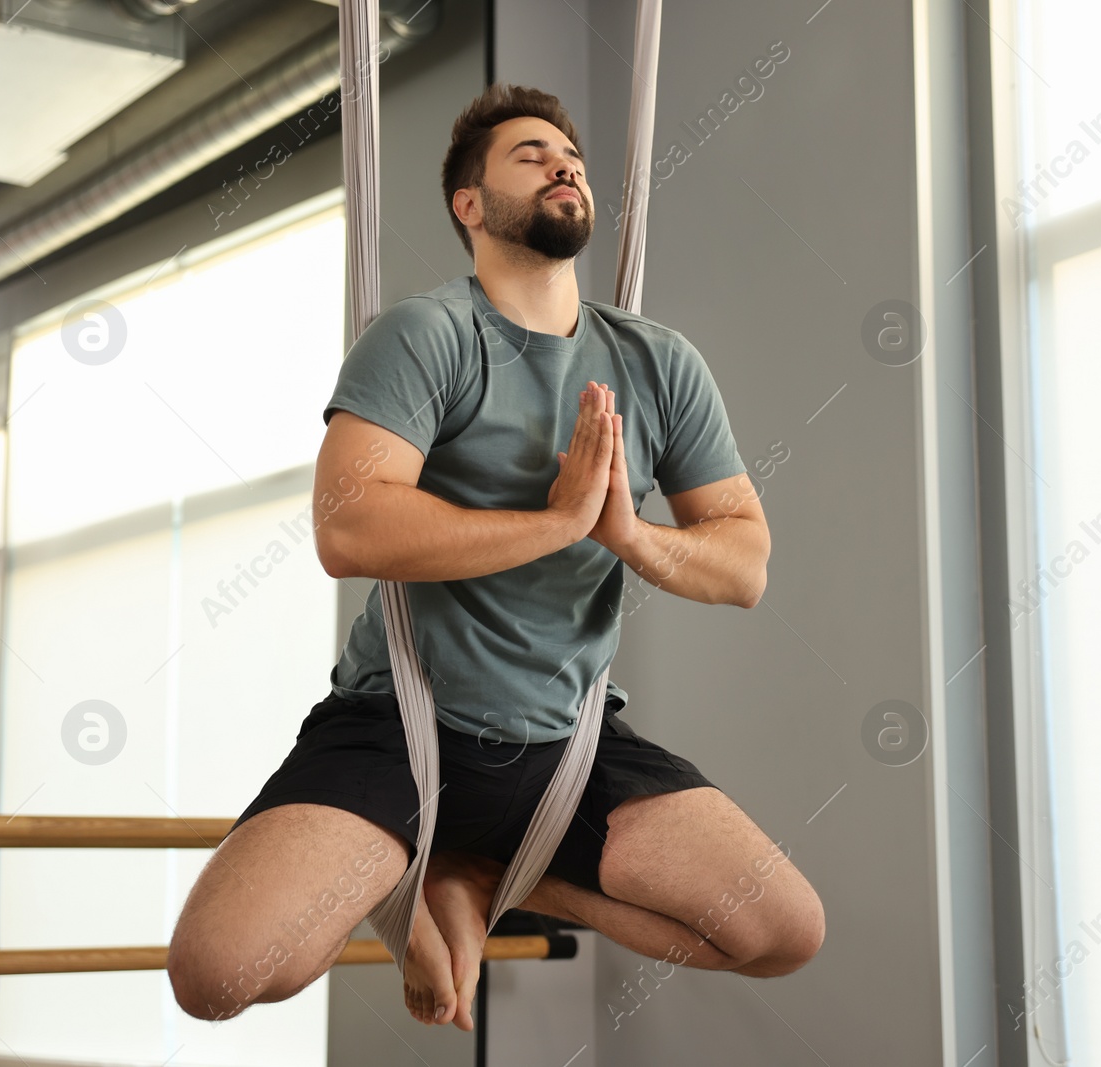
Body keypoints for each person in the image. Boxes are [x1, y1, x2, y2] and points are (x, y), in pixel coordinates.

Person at [166, 83, 825, 1031]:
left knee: (780, 930)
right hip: (401, 724)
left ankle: (484, 870)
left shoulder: (657, 360)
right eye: (530, 154)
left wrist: (626, 534)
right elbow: (347, 531)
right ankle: (417, 855)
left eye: (572, 155)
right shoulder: (426, 335)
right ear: (468, 206)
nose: (564, 163)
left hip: (571, 742)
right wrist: (555, 523)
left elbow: (744, 564)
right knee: (220, 974)